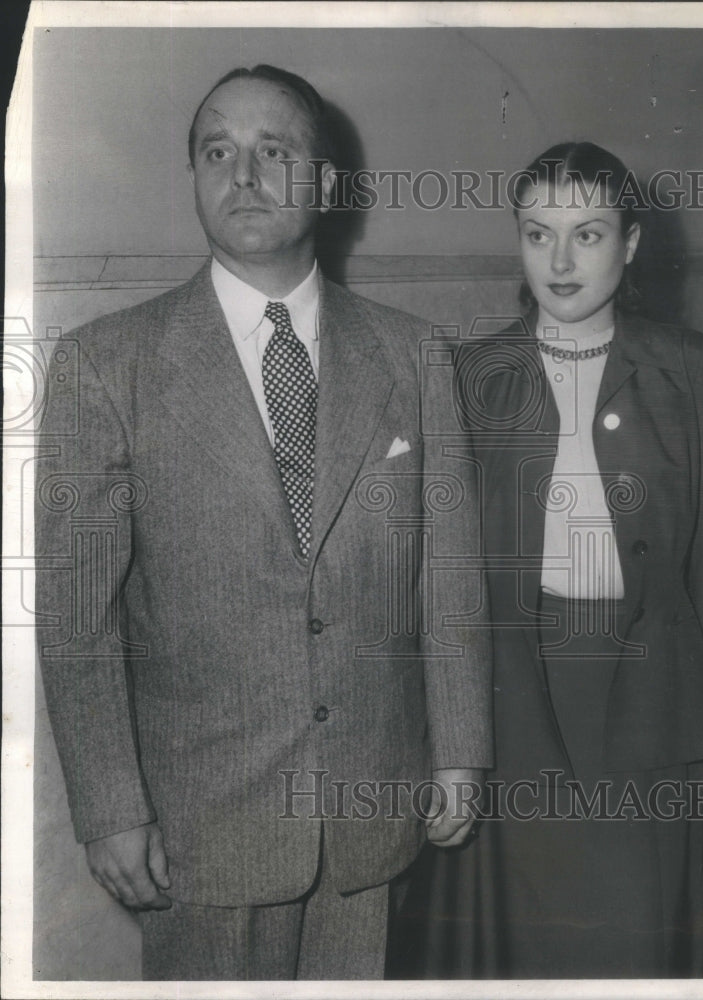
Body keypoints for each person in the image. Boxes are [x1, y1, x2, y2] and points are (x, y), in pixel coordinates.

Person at [35, 64, 492, 981]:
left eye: (272, 152)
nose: (241, 175)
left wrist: (462, 752)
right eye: (217, 151)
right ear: (196, 179)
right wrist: (111, 805)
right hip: (201, 822)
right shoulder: (104, 366)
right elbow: (79, 617)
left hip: (370, 807)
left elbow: (448, 574)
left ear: (325, 185)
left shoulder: (414, 354)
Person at [388, 142, 703, 979]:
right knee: (527, 946)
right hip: (512, 698)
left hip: (655, 698)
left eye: (587, 234)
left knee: (634, 942)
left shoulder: (685, 365)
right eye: (537, 232)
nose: (559, 260)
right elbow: (442, 575)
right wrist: (449, 737)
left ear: (630, 243)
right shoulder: (472, 374)